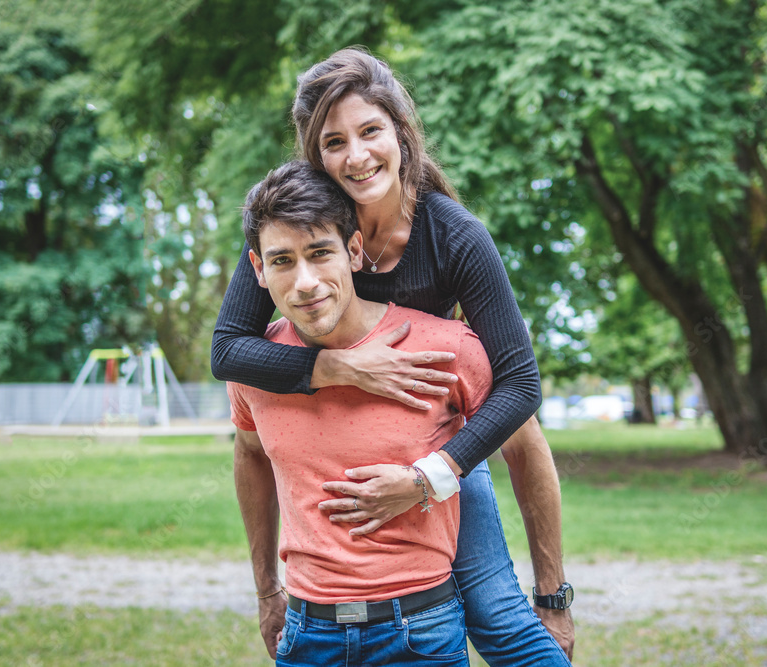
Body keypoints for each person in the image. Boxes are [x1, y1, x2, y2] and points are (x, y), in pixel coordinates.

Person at [213, 48, 574, 664]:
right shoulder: (303, 226)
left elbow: (521, 386)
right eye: (333, 142)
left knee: (495, 614)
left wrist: (431, 478)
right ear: (314, 154)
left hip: (438, 444)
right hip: (336, 439)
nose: (356, 156)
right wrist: (338, 368)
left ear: (402, 132)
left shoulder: (453, 235)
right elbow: (227, 350)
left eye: (370, 131)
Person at [230, 161, 490, 664]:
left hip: (422, 630)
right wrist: (266, 590)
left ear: (353, 251)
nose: (305, 283)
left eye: (320, 253)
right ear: (258, 269)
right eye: (282, 261)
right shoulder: (253, 366)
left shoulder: (446, 348)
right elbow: (250, 456)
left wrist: (553, 594)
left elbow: (523, 439)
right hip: (307, 634)